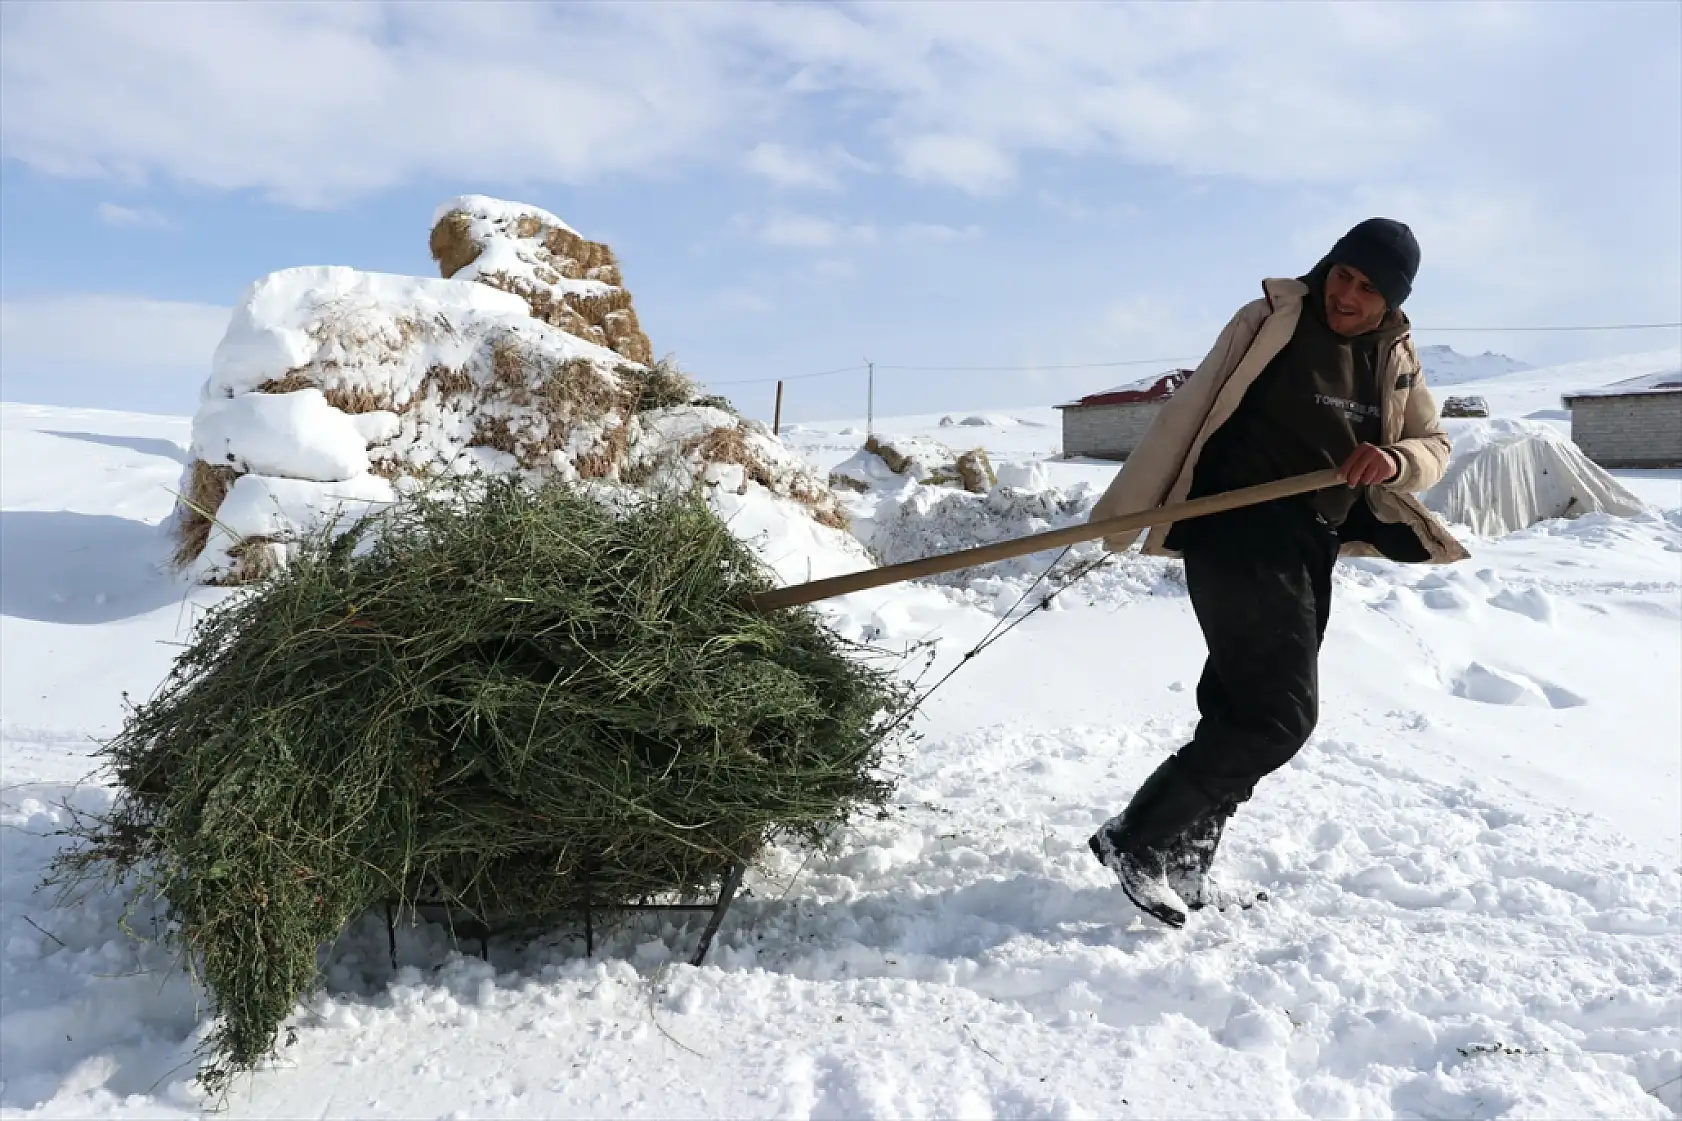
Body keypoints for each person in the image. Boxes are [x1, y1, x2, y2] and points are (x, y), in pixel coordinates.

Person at [1084, 218, 1469, 929]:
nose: (1346, 294)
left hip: (1310, 538)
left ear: (1393, 301)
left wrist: (1394, 462)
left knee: (1239, 706)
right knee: (1280, 715)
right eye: (1343, 274)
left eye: (1368, 288)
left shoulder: (1395, 355)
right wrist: (1127, 509)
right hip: (1233, 524)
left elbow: (1434, 444)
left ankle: (1189, 856)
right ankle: (1136, 836)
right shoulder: (1274, 319)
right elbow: (1189, 409)